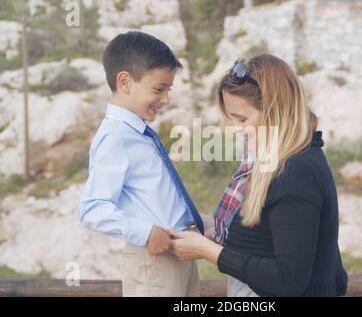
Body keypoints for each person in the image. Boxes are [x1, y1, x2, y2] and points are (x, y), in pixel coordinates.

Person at [169, 54, 348, 297]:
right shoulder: (275, 158)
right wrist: (219, 229)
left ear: (276, 112)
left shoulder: (296, 172)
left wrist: (207, 251)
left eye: (241, 119)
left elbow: (288, 279)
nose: (234, 130)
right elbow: (268, 239)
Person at [79, 31, 211, 297]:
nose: (165, 99)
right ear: (125, 82)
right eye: (159, 89)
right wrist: (146, 232)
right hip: (154, 261)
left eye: (168, 90)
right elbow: (92, 209)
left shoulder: (138, 133)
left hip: (179, 256)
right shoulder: (115, 137)